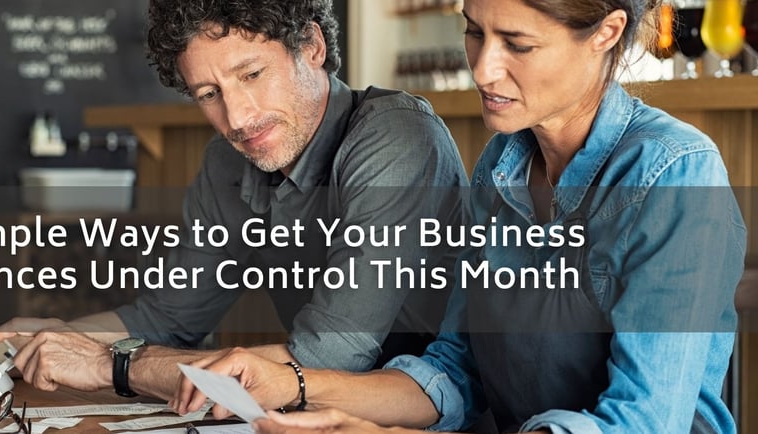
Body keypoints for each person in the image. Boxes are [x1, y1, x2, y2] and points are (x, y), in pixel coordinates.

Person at [174, 0, 746, 432]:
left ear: (606, 33)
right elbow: (453, 370)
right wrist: (293, 384)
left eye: (516, 44)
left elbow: (644, 422)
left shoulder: (674, 172)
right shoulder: (502, 162)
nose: (483, 69)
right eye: (474, 31)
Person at [0, 0, 468, 401]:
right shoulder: (228, 162)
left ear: (312, 47)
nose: (237, 117)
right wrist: (28, 346)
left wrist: (114, 366)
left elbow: (328, 358)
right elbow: (167, 317)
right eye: (209, 94)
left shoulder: (396, 136)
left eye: (251, 74)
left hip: (431, 411)